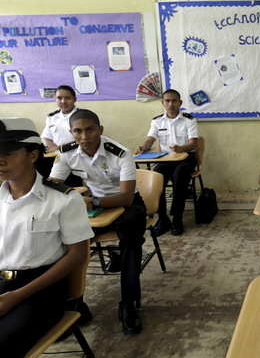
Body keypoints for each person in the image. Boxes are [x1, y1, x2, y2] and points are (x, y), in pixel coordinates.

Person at [0, 117, 93, 358]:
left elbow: (77, 257)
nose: (0, 159)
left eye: (9, 151)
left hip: (42, 291)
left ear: (33, 155)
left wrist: (15, 297)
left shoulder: (62, 198)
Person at [49, 109, 147, 335]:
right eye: (78, 131)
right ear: (71, 132)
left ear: (100, 130)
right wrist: (75, 196)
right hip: (92, 205)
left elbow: (126, 196)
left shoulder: (120, 153)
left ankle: (129, 305)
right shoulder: (67, 152)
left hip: (127, 206)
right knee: (65, 243)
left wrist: (93, 201)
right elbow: (53, 184)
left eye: (90, 129)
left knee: (130, 244)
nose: (84, 136)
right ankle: (75, 304)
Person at [135, 89, 199, 236]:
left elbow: (194, 144)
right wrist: (143, 147)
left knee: (179, 177)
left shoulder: (189, 120)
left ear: (180, 103)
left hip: (186, 158)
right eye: (167, 101)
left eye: (174, 101)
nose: (171, 104)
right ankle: (163, 219)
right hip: (166, 159)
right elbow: (150, 139)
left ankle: (177, 218)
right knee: (156, 179)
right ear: (162, 103)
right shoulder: (157, 121)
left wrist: (181, 148)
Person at [41, 85, 78, 152]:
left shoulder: (83, 116)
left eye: (67, 98)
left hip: (79, 154)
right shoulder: (51, 118)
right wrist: (57, 150)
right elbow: (46, 137)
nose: (63, 101)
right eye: (59, 98)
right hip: (58, 155)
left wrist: (63, 149)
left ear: (74, 99)